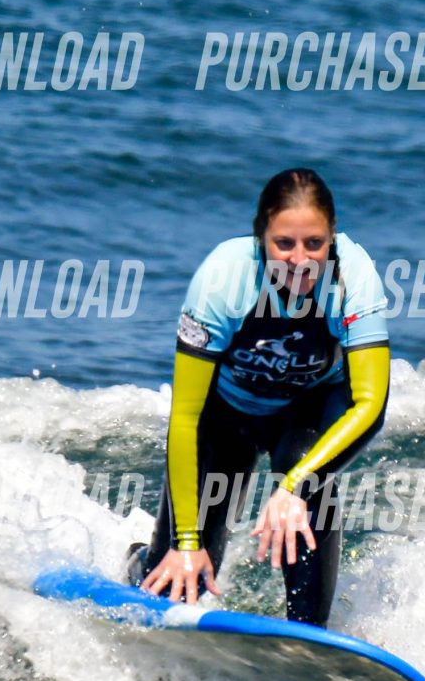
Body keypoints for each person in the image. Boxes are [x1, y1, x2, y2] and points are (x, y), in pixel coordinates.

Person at [131, 168, 390, 627]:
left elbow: (370, 405)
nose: (300, 260)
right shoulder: (222, 279)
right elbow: (186, 417)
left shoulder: (354, 278)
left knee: (305, 470)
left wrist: (295, 486)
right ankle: (140, 564)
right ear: (260, 238)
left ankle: (306, 634)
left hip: (307, 411)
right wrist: (186, 544)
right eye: (283, 244)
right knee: (179, 579)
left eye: (315, 243)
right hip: (227, 416)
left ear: (332, 237)